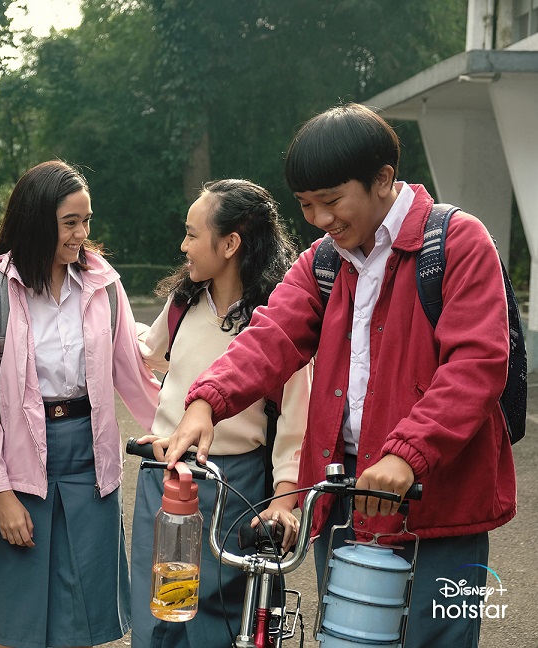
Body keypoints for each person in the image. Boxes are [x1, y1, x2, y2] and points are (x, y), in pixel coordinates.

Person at [163, 103, 516, 647]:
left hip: (435, 498)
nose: (320, 219)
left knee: (435, 638)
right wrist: (207, 400)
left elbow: (476, 366)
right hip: (344, 492)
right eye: (306, 204)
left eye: (331, 201)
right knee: (347, 636)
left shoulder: (457, 244)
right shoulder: (325, 261)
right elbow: (271, 335)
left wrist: (406, 454)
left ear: (383, 179)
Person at [0, 160, 160, 648]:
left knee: (82, 615)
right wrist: (0, 494)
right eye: (70, 222)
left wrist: (178, 430)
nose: (82, 234)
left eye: (86, 221)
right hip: (18, 463)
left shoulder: (103, 285)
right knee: (20, 618)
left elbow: (133, 374)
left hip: (90, 460)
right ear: (36, 221)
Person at [130, 179, 311, 648]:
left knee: (216, 618)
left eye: (192, 234)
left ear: (230, 244)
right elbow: (149, 353)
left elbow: (296, 425)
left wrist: (284, 501)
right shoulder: (183, 302)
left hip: (235, 485)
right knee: (156, 611)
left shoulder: (277, 323)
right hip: (163, 474)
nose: (183, 245)